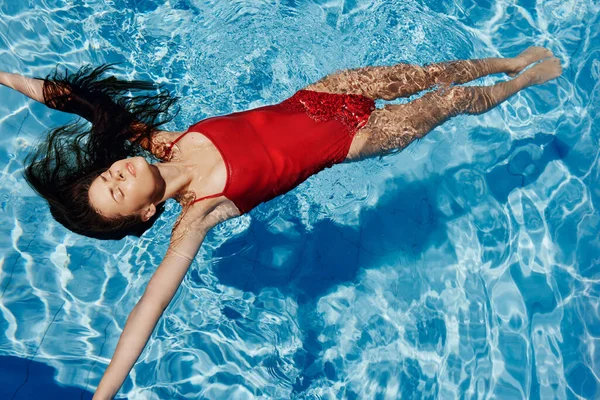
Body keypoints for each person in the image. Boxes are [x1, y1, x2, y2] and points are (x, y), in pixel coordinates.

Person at [0, 46, 561, 399]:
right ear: (145, 213)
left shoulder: (159, 142)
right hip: (353, 139)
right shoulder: (198, 214)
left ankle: (507, 62)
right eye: (119, 192)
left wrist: (5, 77)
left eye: (110, 175)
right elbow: (149, 308)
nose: (120, 174)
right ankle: (518, 85)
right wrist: (105, 393)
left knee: (432, 73)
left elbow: (76, 99)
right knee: (451, 102)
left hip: (326, 92)